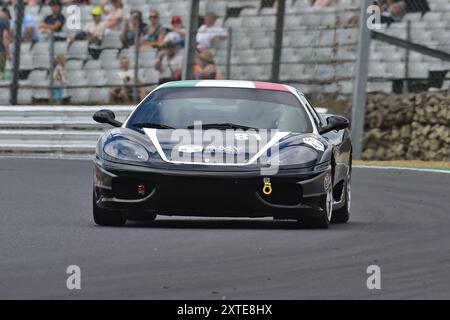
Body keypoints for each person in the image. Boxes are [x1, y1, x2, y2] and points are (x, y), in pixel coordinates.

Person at [0, 6, 10, 80]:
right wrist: (8, 53)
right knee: (1, 74)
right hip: (1, 51)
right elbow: (5, 37)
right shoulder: (4, 21)